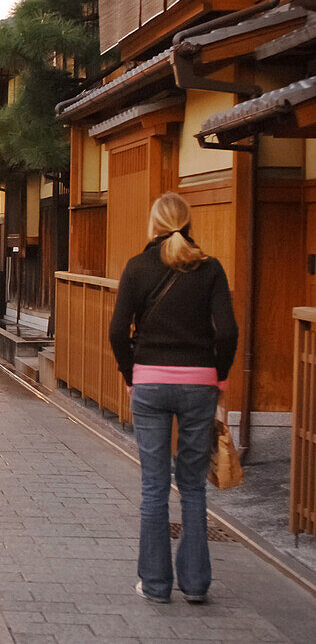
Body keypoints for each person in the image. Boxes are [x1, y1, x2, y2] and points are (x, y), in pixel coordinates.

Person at [109, 192, 237, 605]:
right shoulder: (211, 268)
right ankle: (197, 585)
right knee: (194, 486)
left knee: (153, 486)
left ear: (154, 224)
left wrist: (132, 376)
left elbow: (117, 331)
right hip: (200, 383)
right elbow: (228, 331)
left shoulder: (137, 267)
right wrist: (219, 375)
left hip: (149, 383)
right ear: (187, 222)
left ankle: (157, 585)